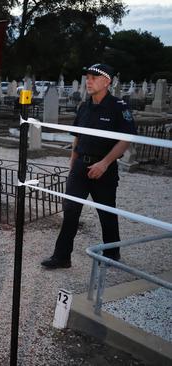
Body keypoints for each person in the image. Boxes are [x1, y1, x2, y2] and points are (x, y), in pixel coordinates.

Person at [41, 63, 136, 269]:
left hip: (104, 168)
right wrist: (72, 162)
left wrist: (105, 163)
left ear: (107, 81)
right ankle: (62, 256)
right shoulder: (84, 107)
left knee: (106, 212)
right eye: (87, 77)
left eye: (94, 77)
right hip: (80, 167)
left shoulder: (118, 107)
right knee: (70, 211)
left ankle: (112, 254)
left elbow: (125, 139)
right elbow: (77, 137)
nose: (89, 81)